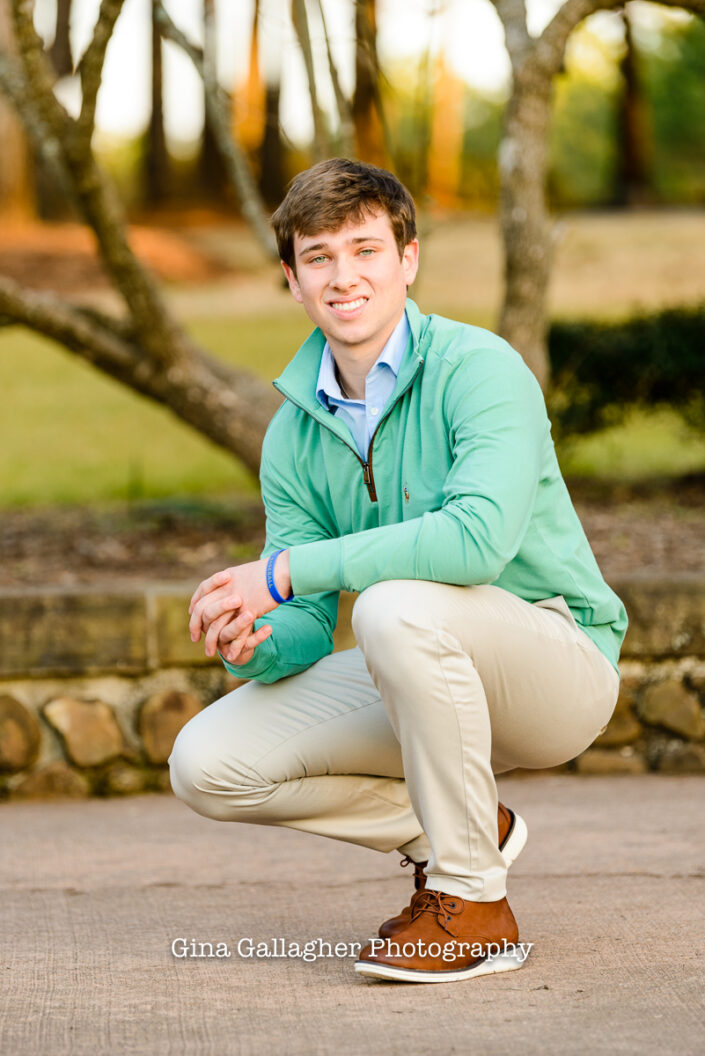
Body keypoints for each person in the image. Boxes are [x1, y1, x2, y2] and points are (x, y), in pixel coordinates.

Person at [169, 158, 627, 984]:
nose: (344, 277)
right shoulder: (294, 434)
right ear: (292, 279)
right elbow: (307, 621)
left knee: (390, 605)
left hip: (557, 661)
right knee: (206, 765)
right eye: (319, 257)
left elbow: (476, 543)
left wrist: (278, 572)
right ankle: (459, 828)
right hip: (414, 660)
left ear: (406, 259)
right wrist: (259, 640)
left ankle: (474, 904)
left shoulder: (479, 369)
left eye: (365, 249)